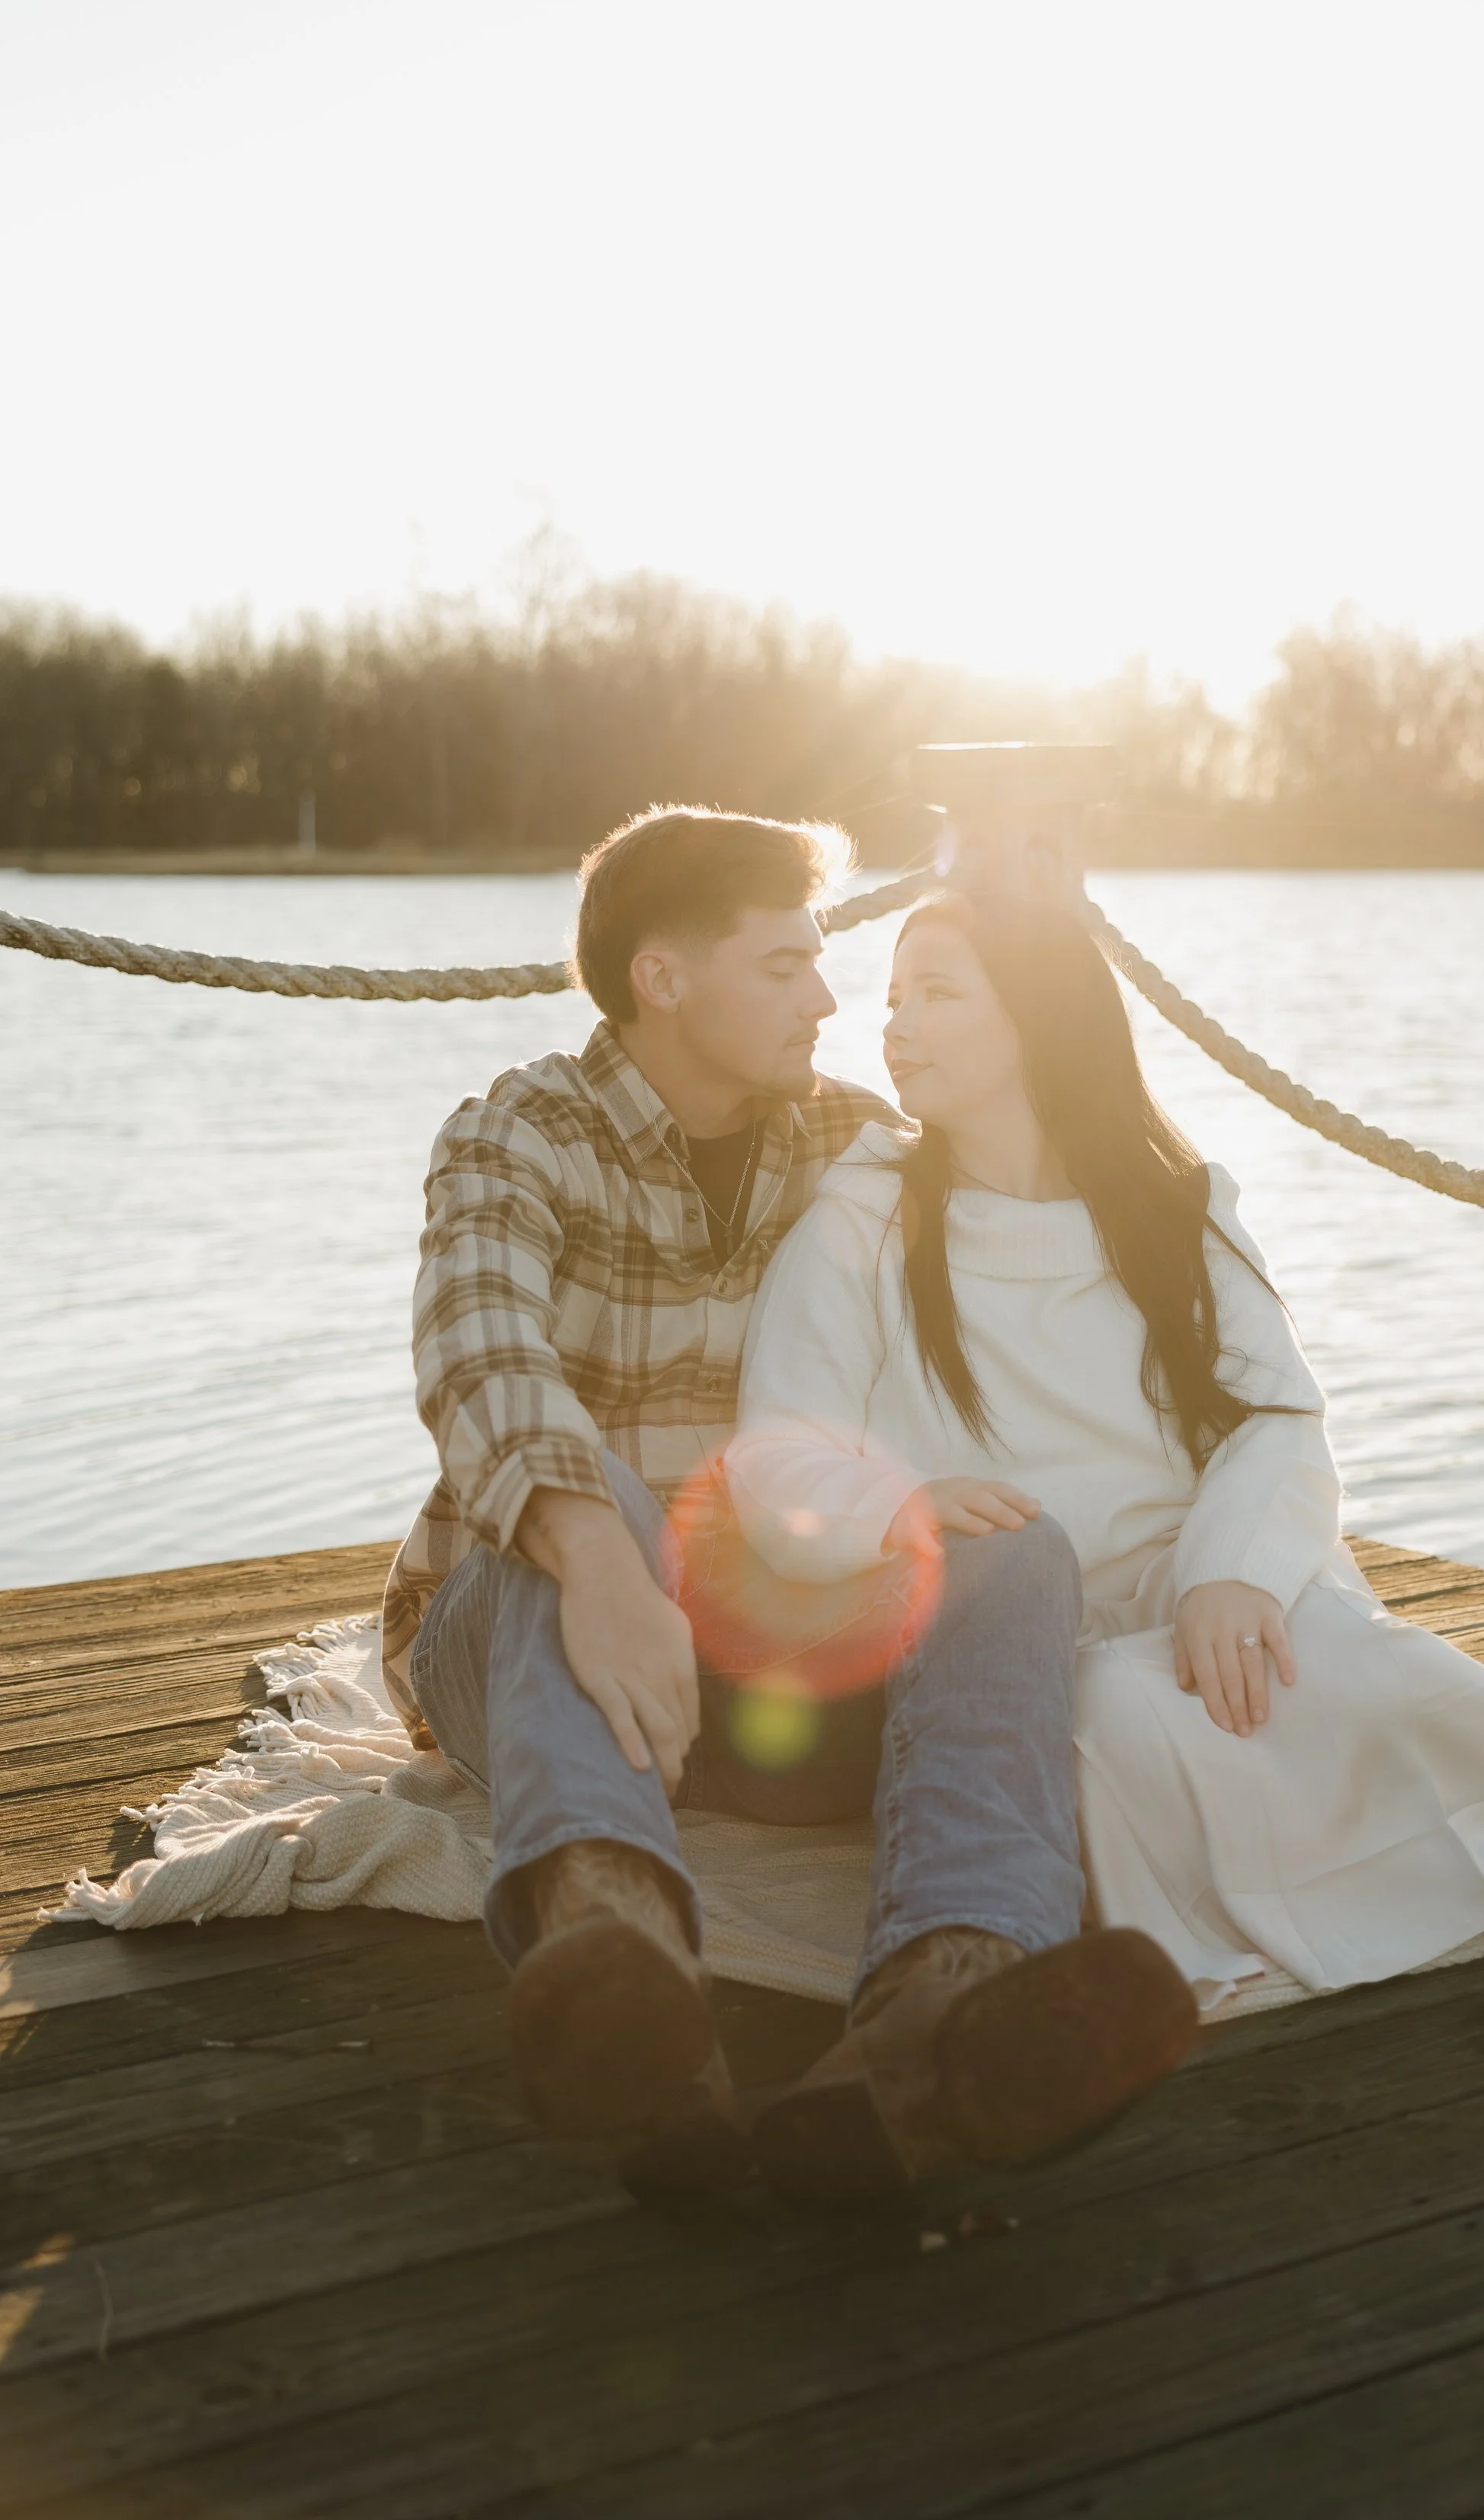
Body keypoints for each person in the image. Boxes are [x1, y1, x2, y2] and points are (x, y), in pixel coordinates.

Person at [727, 893, 1484, 2051]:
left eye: (937, 993)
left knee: (1331, 1663)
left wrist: (1231, 1573)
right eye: (894, 999)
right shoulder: (863, 1219)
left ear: (1040, 1016)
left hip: (1202, 1570)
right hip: (1028, 1632)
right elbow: (775, 1456)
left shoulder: (1170, 1205)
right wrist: (896, 1505)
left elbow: (1278, 1418)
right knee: (1119, 1722)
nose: (895, 1025)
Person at [385, 809, 1199, 2199]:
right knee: (588, 1511)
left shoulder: (850, 1144)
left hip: (763, 1674)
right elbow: (483, 1360)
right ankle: (617, 1962)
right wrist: (603, 1568)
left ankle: (948, 2001)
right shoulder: (515, 1135)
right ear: (663, 978)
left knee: (1009, 1552)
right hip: (531, 1649)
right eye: (784, 966)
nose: (829, 998)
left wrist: (1013, 929)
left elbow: (1024, 1164)